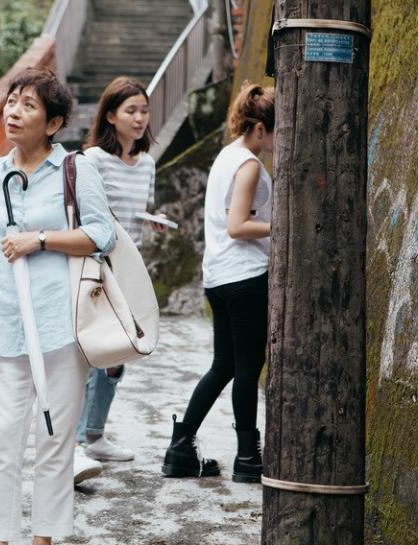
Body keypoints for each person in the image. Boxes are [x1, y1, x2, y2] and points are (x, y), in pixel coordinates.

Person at [0, 67, 116, 545]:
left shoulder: (73, 168)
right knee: (1, 440)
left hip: (60, 324)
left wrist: (40, 239)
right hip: (3, 324)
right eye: (11, 102)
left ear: (55, 122)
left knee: (54, 438)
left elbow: (102, 234)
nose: (13, 112)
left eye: (27, 105)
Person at [162, 84, 274, 483]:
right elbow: (238, 225)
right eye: (276, 132)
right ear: (260, 128)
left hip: (219, 277)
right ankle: (247, 458)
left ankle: (180, 447)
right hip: (244, 277)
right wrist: (283, 225)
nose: (279, 141)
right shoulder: (249, 164)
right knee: (247, 369)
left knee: (225, 365)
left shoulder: (227, 156)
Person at [73, 76, 165, 471]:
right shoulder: (92, 160)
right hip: (96, 266)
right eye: (131, 111)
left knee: (120, 351)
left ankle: (94, 435)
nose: (140, 118)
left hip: (130, 268)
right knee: (96, 349)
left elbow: (138, 212)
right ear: (110, 115)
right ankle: (80, 440)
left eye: (144, 110)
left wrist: (154, 221)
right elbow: (85, 213)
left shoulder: (146, 163)